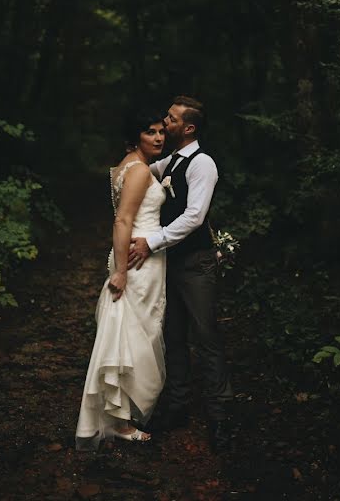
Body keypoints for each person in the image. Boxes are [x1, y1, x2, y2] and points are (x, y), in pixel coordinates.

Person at [128, 95, 234, 452]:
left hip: (196, 264)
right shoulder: (170, 162)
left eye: (170, 120)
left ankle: (220, 417)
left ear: (188, 128)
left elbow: (194, 217)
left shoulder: (203, 164)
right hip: (169, 264)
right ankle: (177, 407)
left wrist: (151, 241)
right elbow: (136, 174)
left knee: (206, 337)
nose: (165, 123)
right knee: (172, 335)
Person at [75, 110, 168, 449]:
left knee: (134, 330)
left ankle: (121, 415)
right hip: (138, 259)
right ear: (136, 136)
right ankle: (120, 422)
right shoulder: (140, 170)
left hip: (142, 256)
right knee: (134, 333)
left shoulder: (124, 165)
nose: (158, 137)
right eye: (150, 132)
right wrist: (121, 271)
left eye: (161, 131)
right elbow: (122, 220)